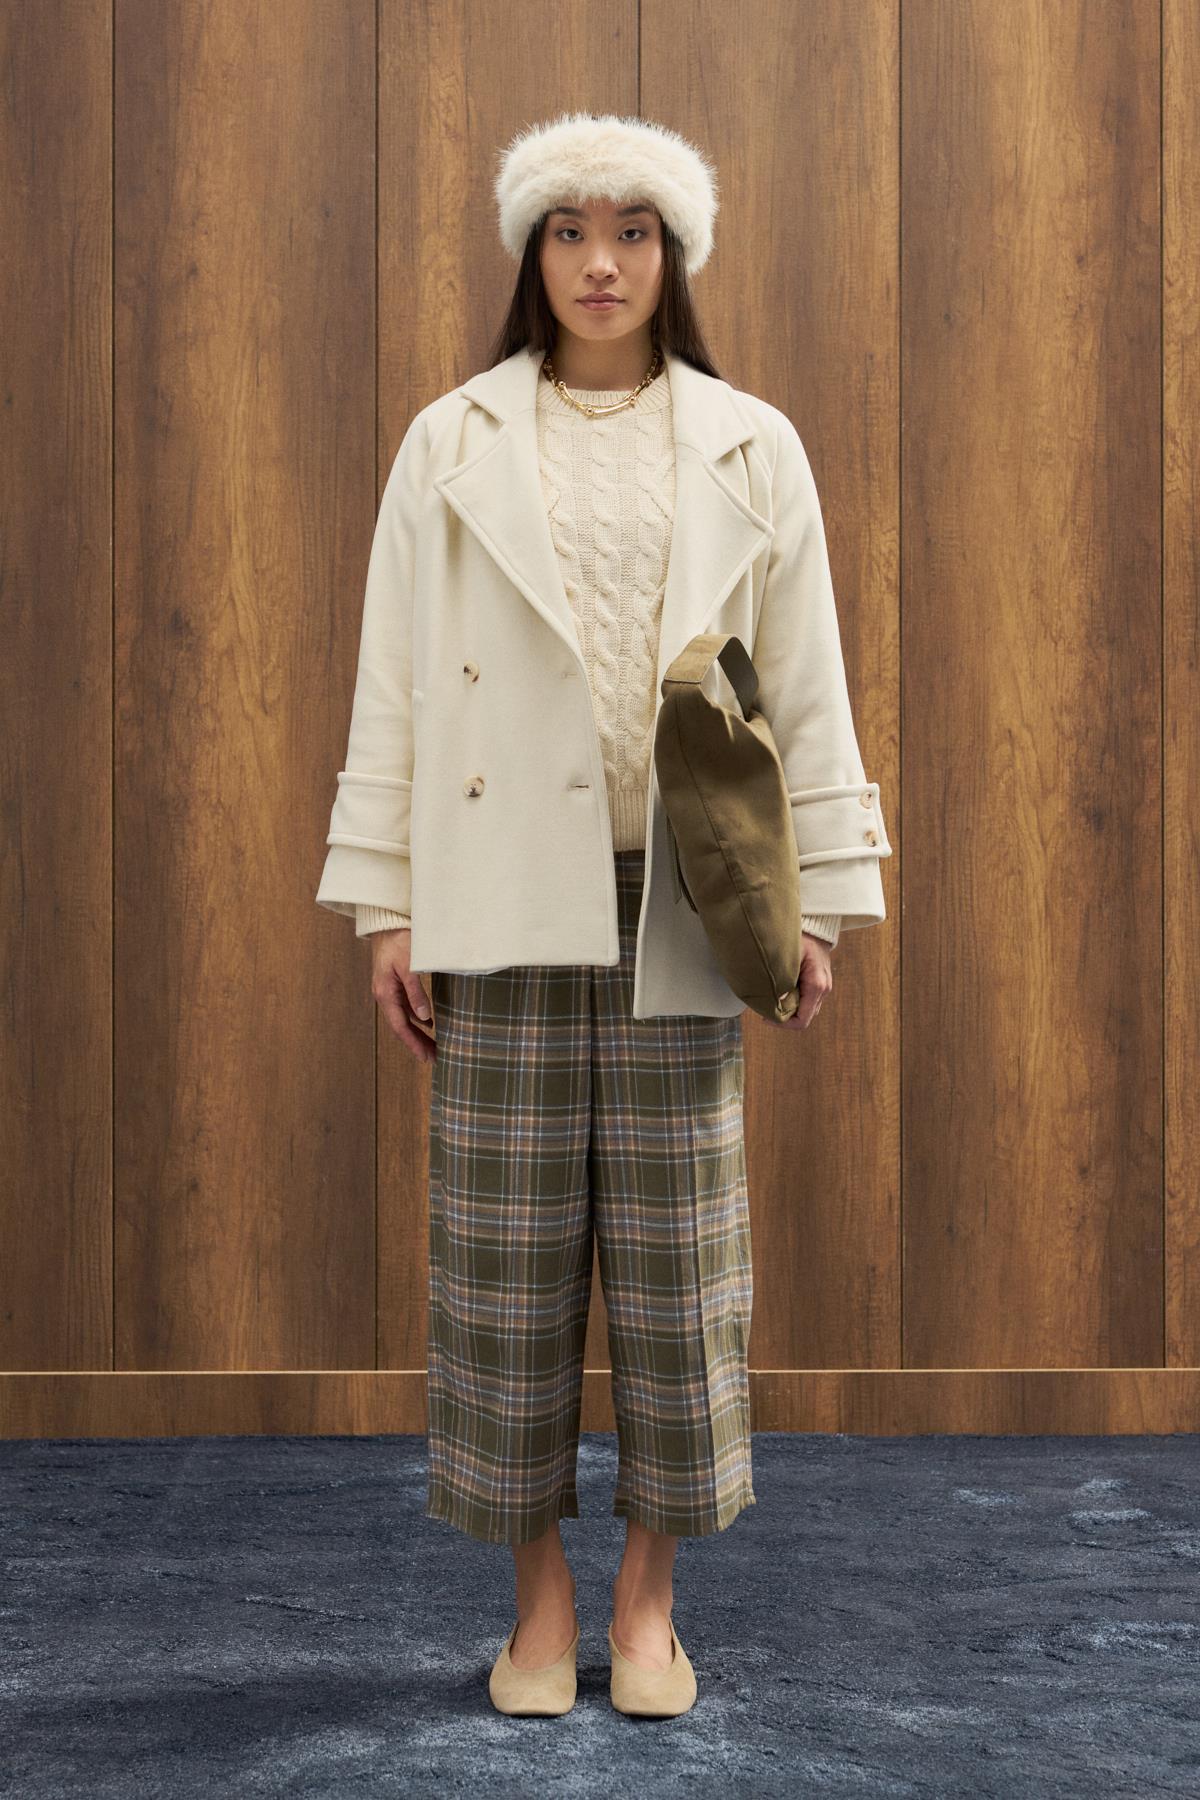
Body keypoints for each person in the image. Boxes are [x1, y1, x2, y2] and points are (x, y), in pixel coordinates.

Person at [315, 111, 891, 1719]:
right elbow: (396, 680)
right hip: (498, 887)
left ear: (674, 254)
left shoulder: (752, 443)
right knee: (501, 1269)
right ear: (533, 252)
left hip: (687, 898)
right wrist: (386, 902)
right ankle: (537, 1606)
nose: (600, 263)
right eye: (568, 230)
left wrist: (823, 902)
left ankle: (647, 1608)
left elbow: (806, 682)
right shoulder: (449, 441)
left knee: (677, 1270)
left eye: (632, 231)